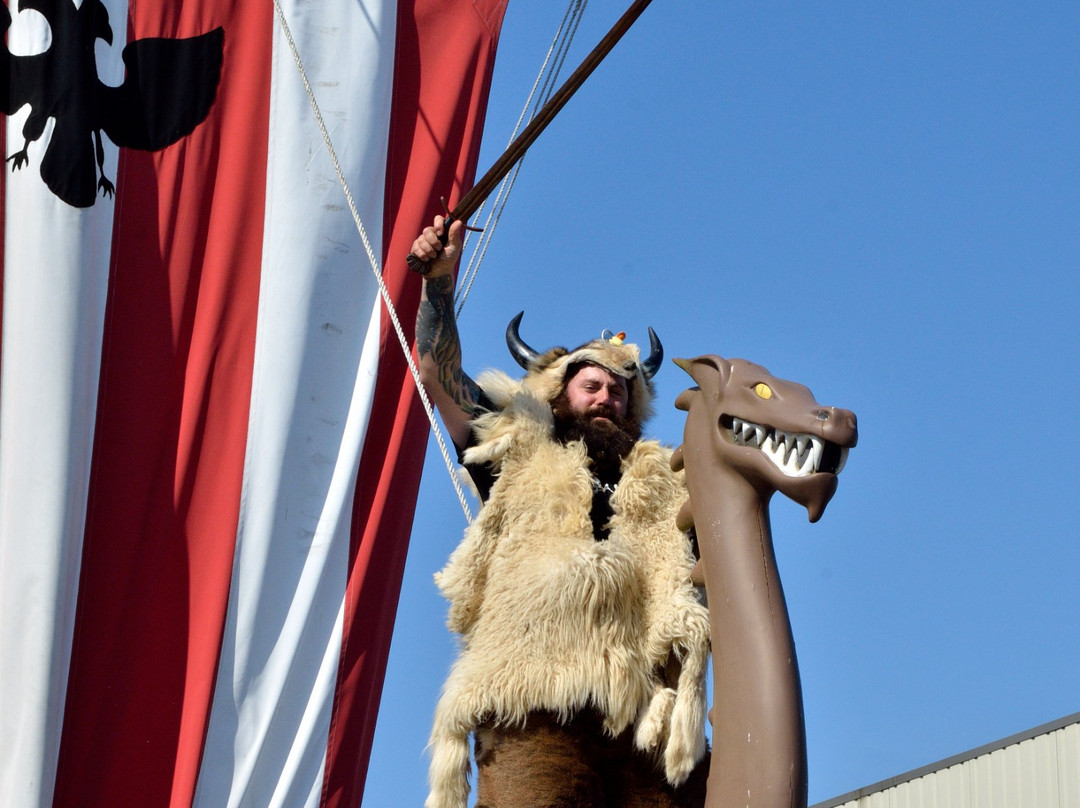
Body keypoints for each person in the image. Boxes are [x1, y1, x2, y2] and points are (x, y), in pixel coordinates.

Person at [411, 217, 710, 808]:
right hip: (532, 707)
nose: (606, 396)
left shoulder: (672, 484)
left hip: (647, 718)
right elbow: (437, 376)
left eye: (620, 390)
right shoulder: (514, 449)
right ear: (558, 394)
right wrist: (438, 283)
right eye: (591, 384)